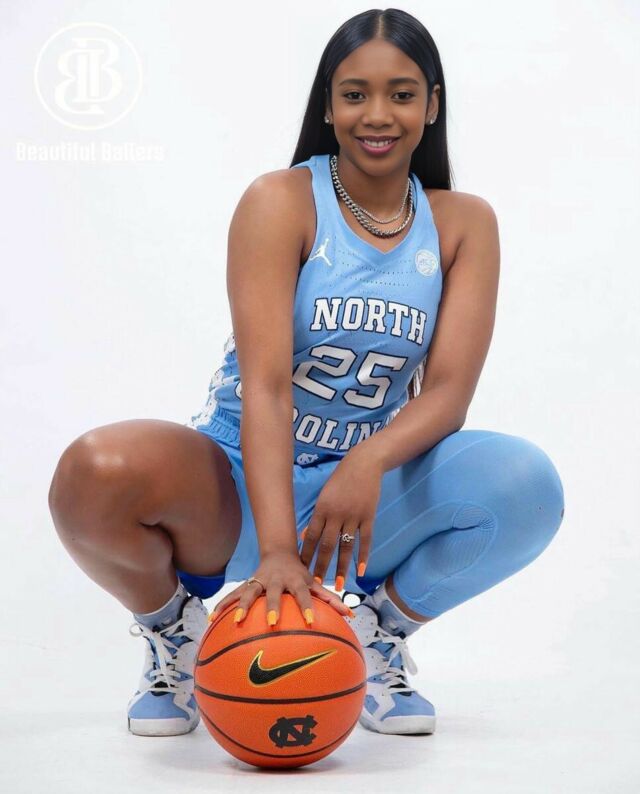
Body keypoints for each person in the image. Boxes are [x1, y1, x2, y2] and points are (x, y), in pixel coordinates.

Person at [48, 8, 565, 740]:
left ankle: (375, 637)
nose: (377, 114)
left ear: (432, 105)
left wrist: (367, 461)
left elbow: (449, 393)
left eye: (401, 94)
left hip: (357, 506)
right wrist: (277, 553)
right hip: (237, 483)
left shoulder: (463, 223)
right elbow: (265, 386)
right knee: (95, 471)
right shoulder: (280, 200)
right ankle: (176, 638)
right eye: (354, 94)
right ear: (327, 105)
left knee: (525, 483)